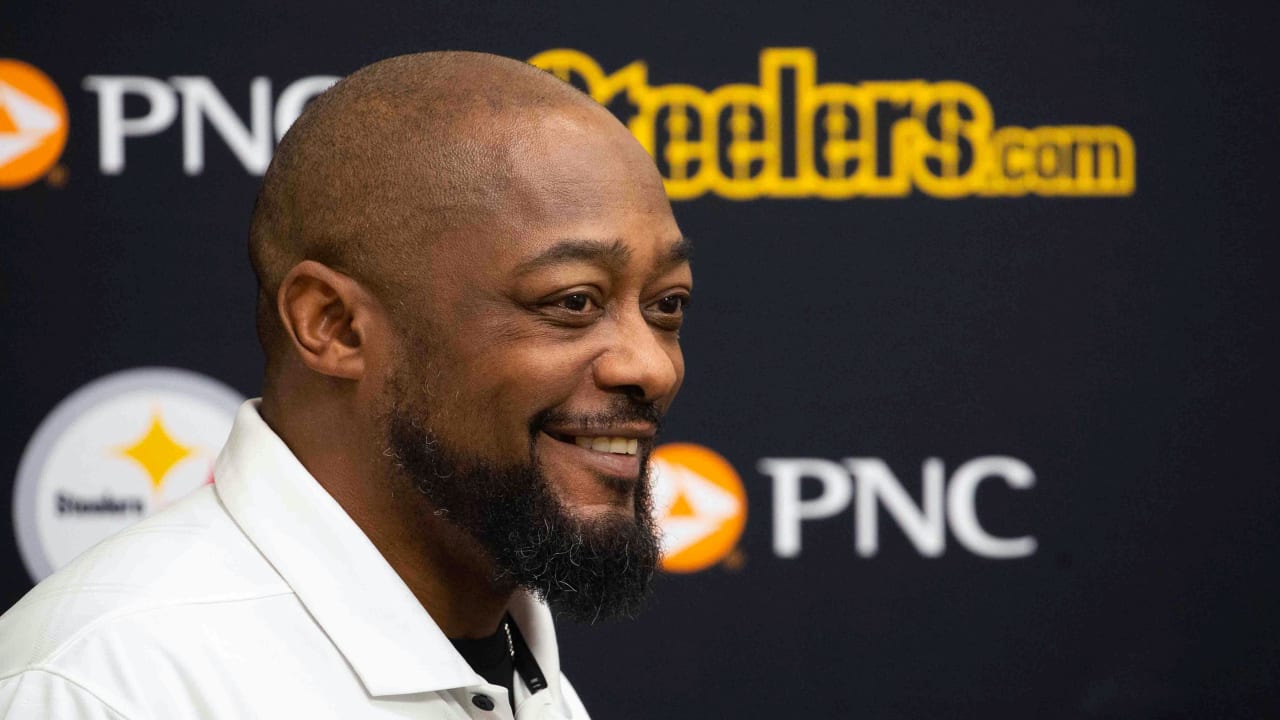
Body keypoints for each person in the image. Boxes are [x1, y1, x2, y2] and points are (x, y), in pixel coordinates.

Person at [0, 51, 692, 719]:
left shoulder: (520, 665)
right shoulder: (106, 688)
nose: (651, 367)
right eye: (573, 301)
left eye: (666, 305)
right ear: (333, 326)